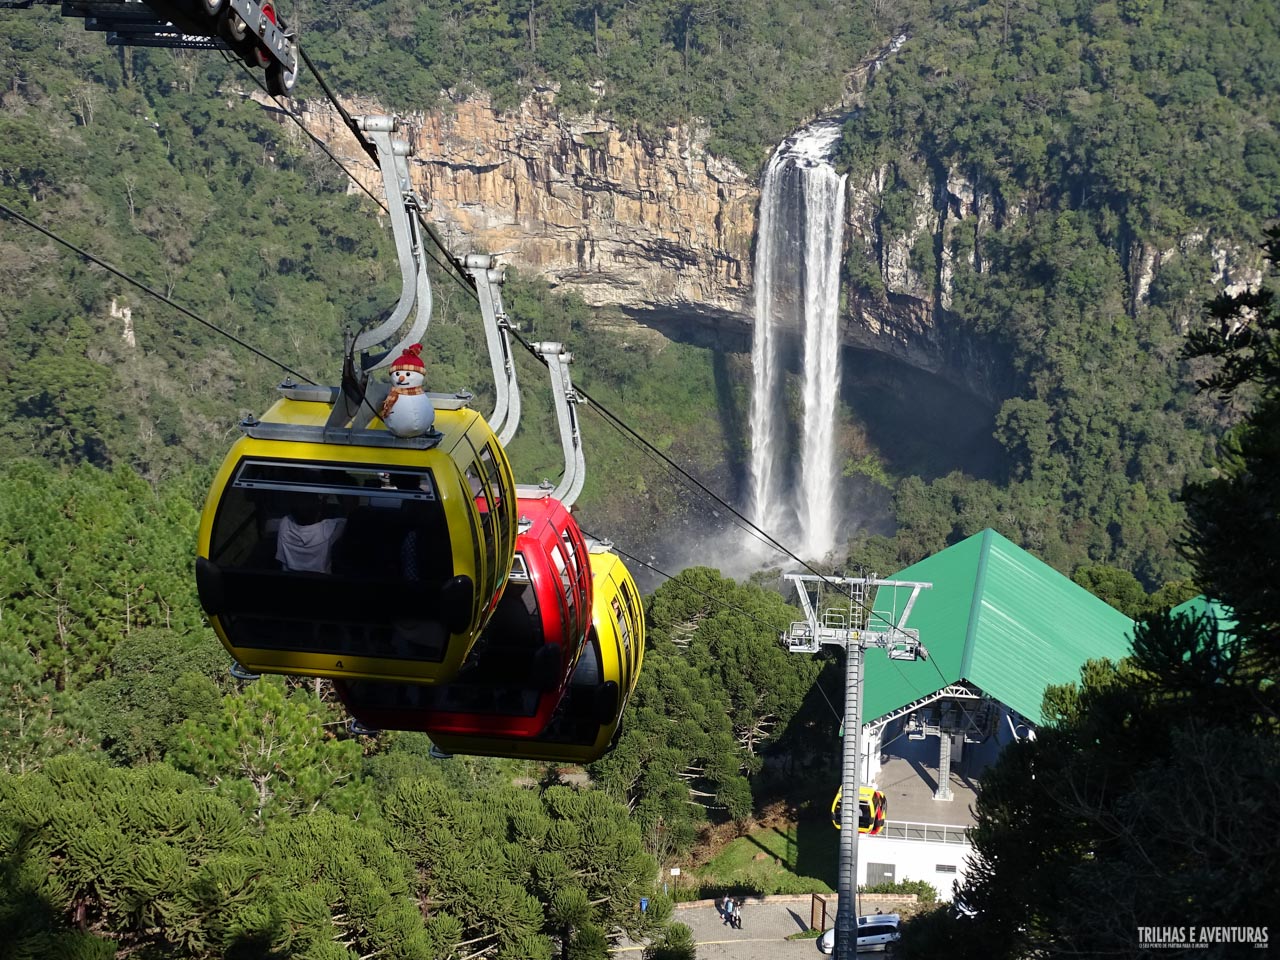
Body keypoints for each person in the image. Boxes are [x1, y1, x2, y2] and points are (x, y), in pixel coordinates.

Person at [276, 496, 346, 573]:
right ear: (318, 513)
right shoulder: (328, 530)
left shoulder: (285, 524)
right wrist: (324, 505)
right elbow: (346, 521)